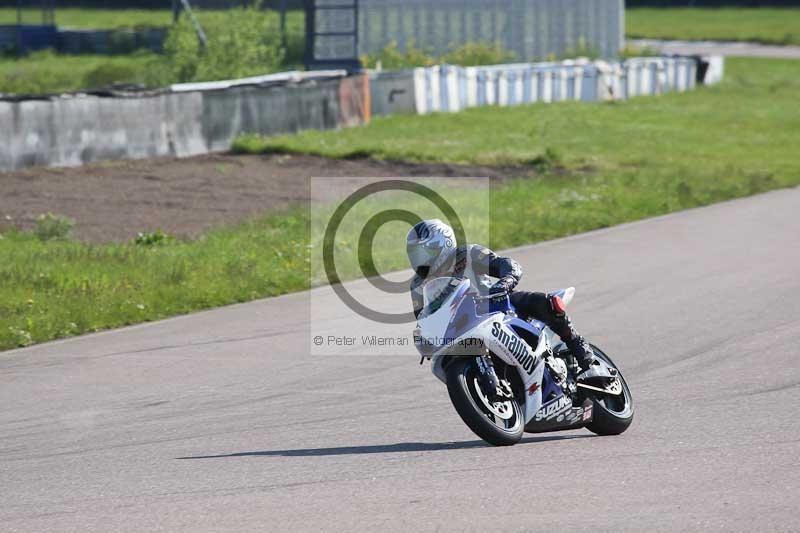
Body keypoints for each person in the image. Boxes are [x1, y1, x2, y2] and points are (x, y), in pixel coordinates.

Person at [407, 218, 600, 381]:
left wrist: (506, 281)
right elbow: (424, 317)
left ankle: (587, 360)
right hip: (459, 326)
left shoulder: (467, 254)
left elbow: (506, 265)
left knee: (546, 303)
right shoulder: (418, 285)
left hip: (494, 303)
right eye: (415, 255)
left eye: (425, 253)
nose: (420, 260)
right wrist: (426, 337)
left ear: (444, 243)